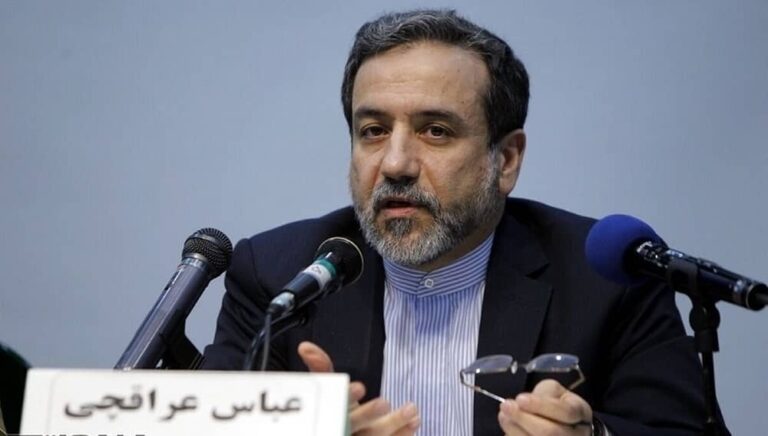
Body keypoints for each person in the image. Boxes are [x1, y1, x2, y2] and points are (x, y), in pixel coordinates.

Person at [203, 9, 716, 435]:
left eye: (436, 131)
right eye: (374, 130)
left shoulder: (607, 278)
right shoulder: (278, 277)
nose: (396, 163)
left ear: (506, 160)